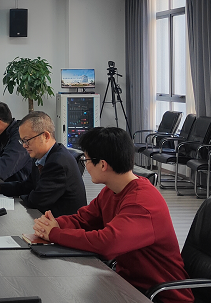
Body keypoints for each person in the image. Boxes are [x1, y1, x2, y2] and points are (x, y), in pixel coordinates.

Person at [33, 127, 193, 303]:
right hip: (127, 286)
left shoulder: (142, 202)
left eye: (86, 160)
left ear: (103, 164)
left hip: (160, 297)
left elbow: (107, 243)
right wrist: (54, 224)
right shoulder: (112, 190)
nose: (86, 166)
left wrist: (55, 234)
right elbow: (84, 219)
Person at [0, 111, 86, 216]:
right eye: (22, 141)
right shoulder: (41, 156)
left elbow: (36, 200)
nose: (24, 145)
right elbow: (27, 185)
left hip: (62, 225)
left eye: (27, 140)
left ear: (46, 136)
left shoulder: (58, 162)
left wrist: (17, 198)